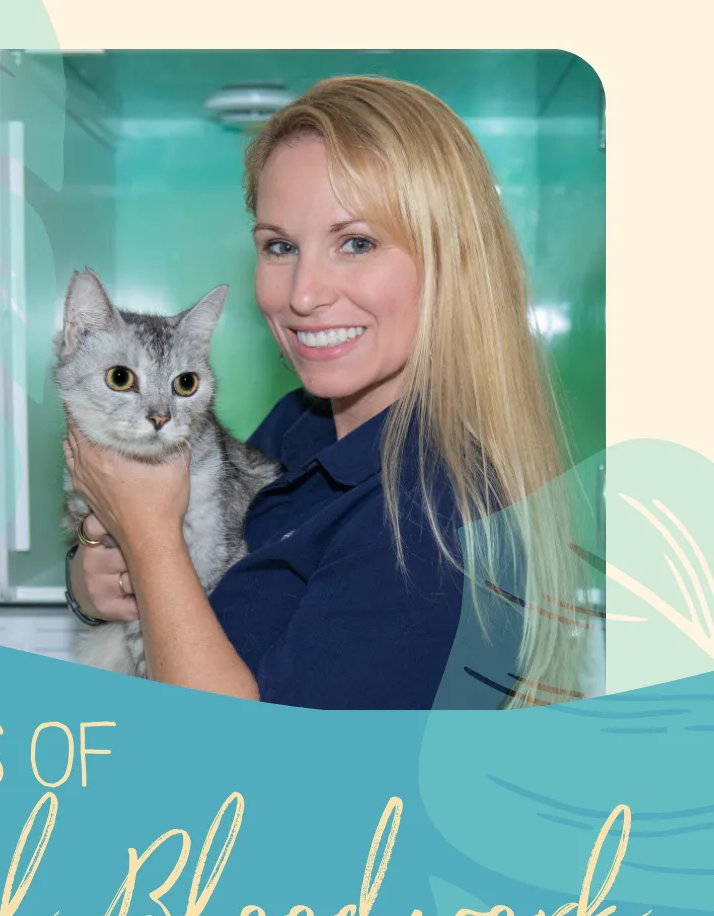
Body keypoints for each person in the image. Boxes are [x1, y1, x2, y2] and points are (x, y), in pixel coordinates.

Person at [62, 75, 583, 711]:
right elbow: (183, 609)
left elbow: (259, 768)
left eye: (356, 243)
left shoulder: (431, 524)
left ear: (453, 264)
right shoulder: (302, 425)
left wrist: (146, 537)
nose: (303, 294)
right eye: (280, 246)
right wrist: (91, 582)